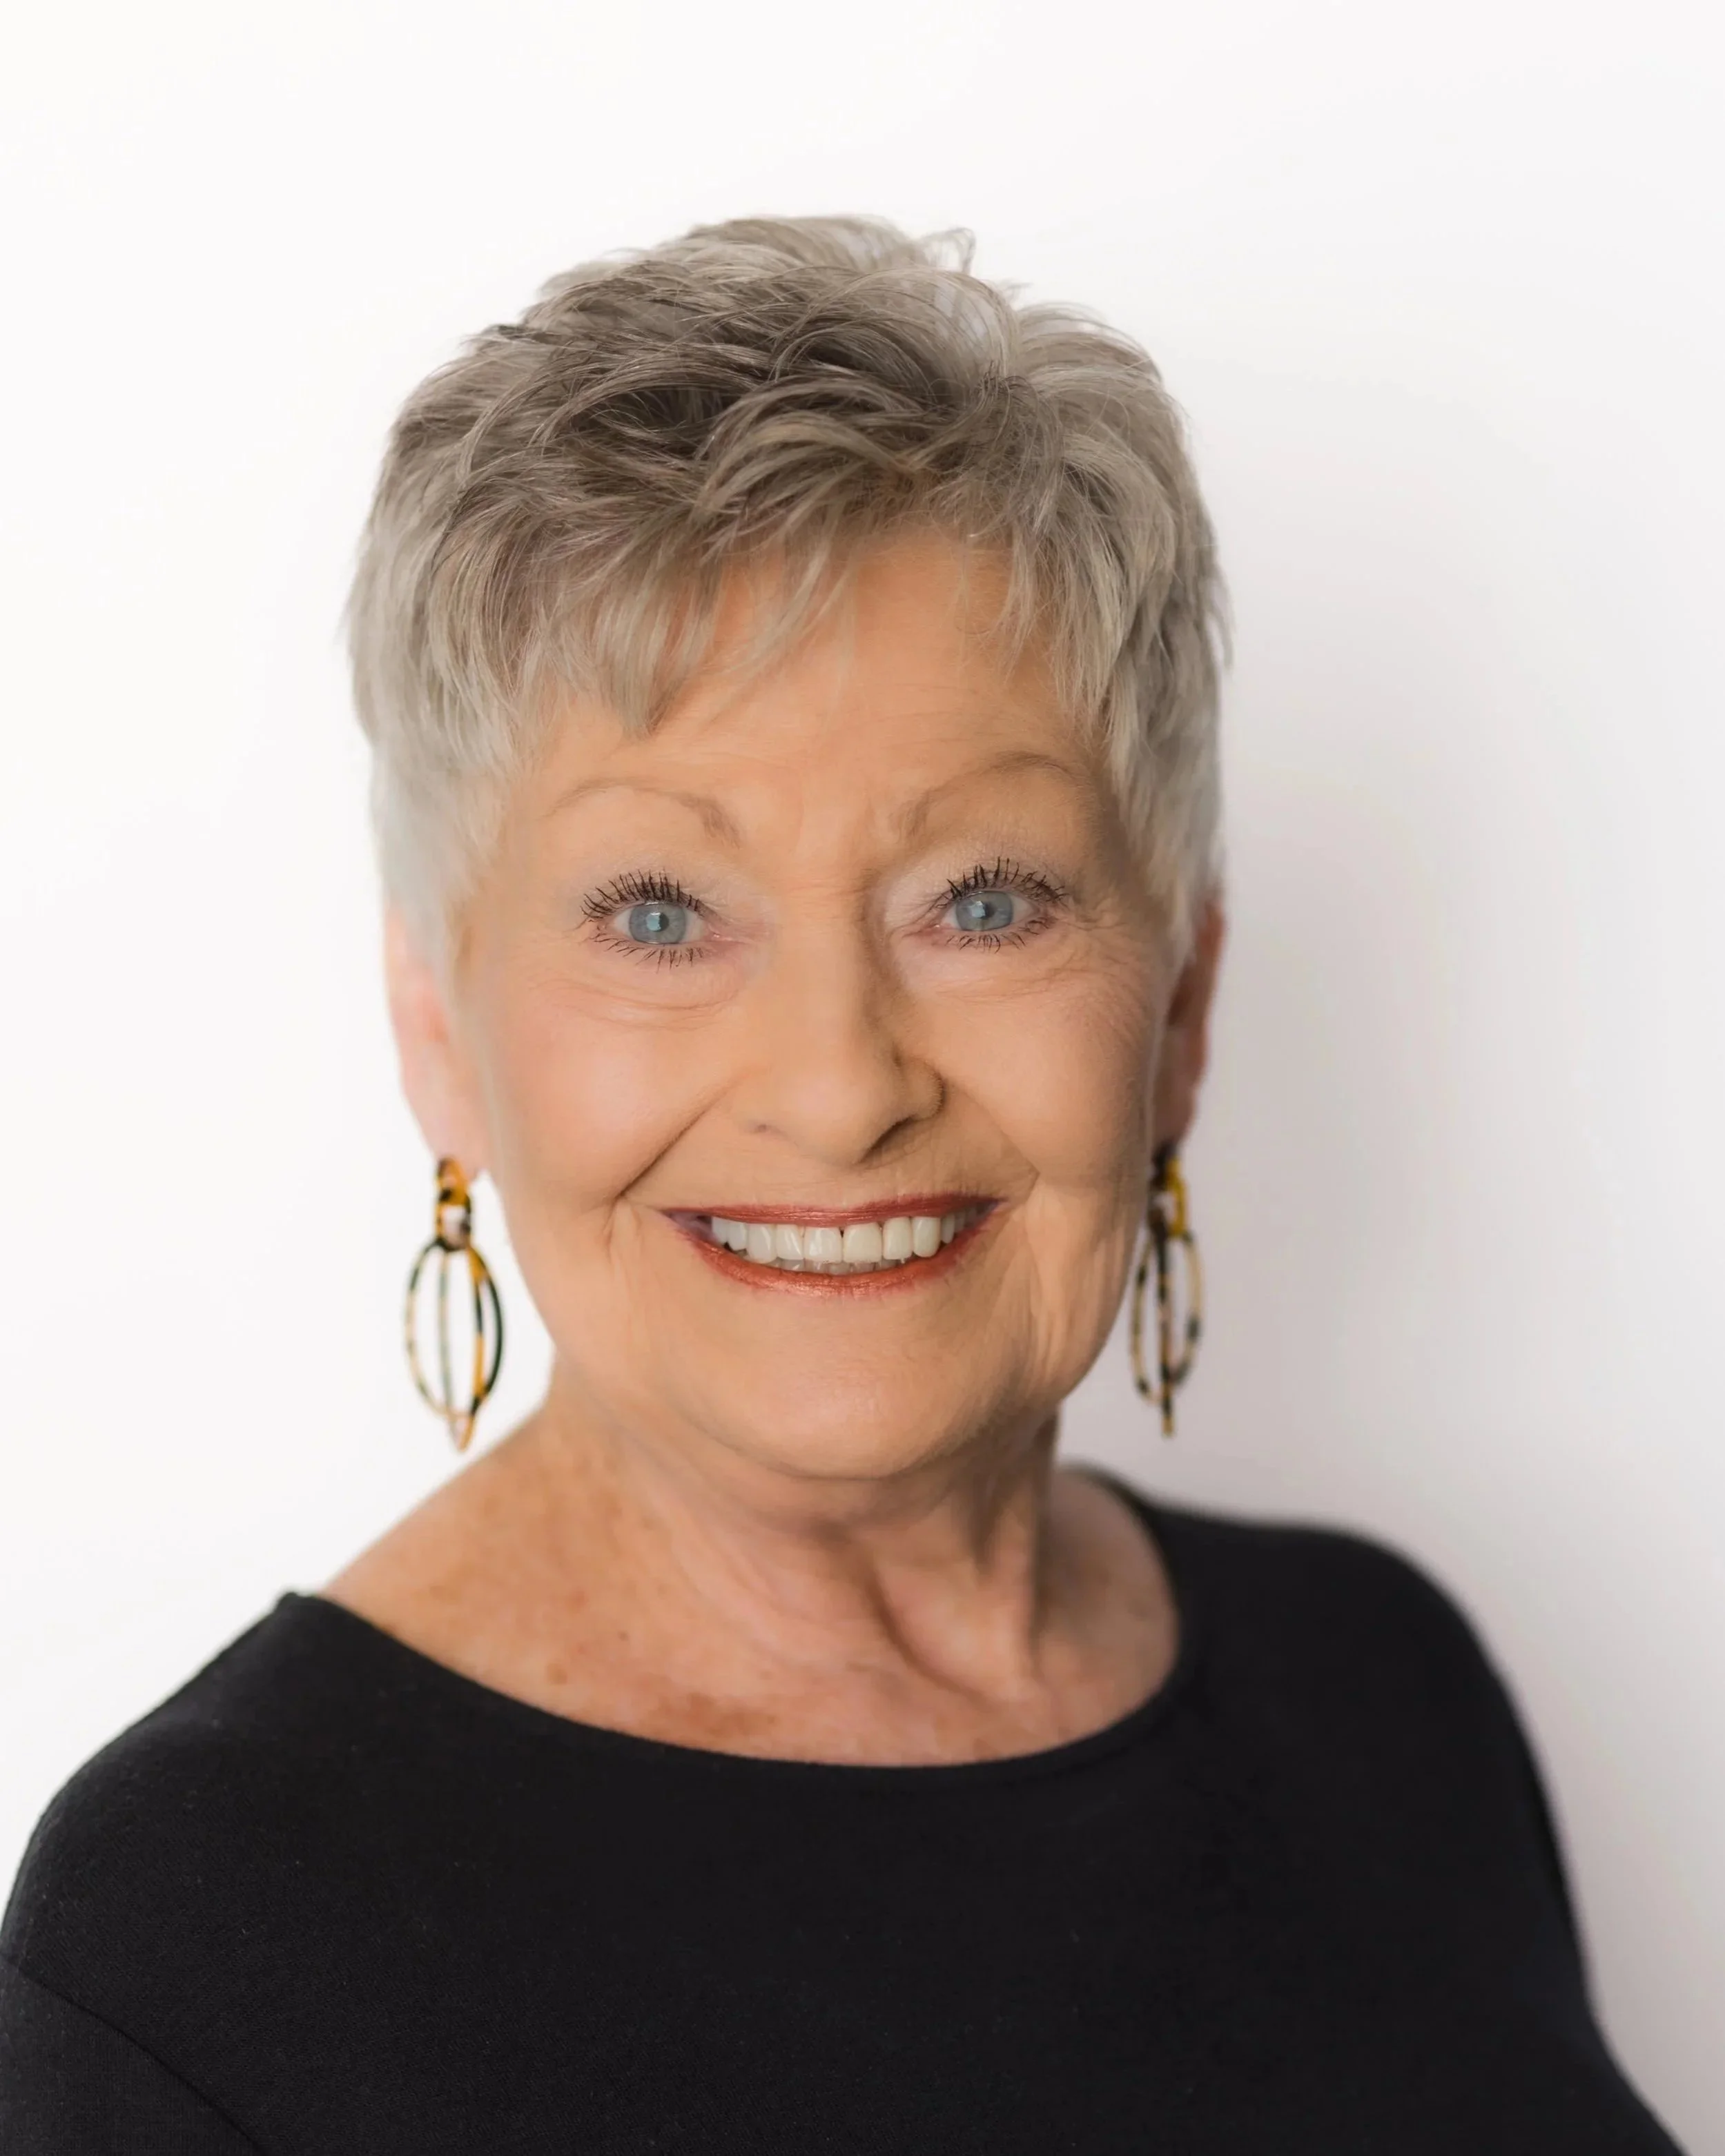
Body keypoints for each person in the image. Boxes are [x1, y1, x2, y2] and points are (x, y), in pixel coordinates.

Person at [0, 217, 1682, 2153]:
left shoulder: (1384, 1690)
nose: (838, 1084)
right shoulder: (202, 1938)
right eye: (659, 911)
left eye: (984, 898)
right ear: (439, 1027)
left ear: (1184, 997)